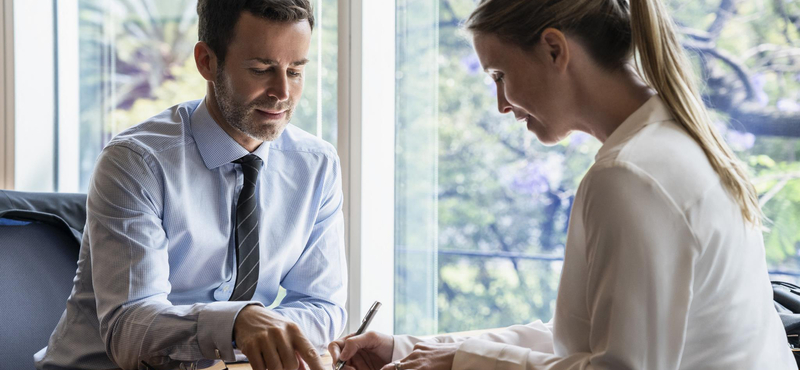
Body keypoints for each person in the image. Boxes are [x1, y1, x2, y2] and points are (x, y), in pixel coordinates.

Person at [329, 0, 796, 369]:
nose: (501, 104)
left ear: (555, 49)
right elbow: (578, 336)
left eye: (500, 76)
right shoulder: (673, 144)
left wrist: (463, 364)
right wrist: (409, 349)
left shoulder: (632, 176)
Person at [34, 1, 346, 369]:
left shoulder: (316, 165)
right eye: (261, 69)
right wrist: (234, 323)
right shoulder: (137, 161)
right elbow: (129, 329)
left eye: (295, 71)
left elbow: (323, 306)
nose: (282, 92)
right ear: (207, 62)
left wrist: (262, 331)